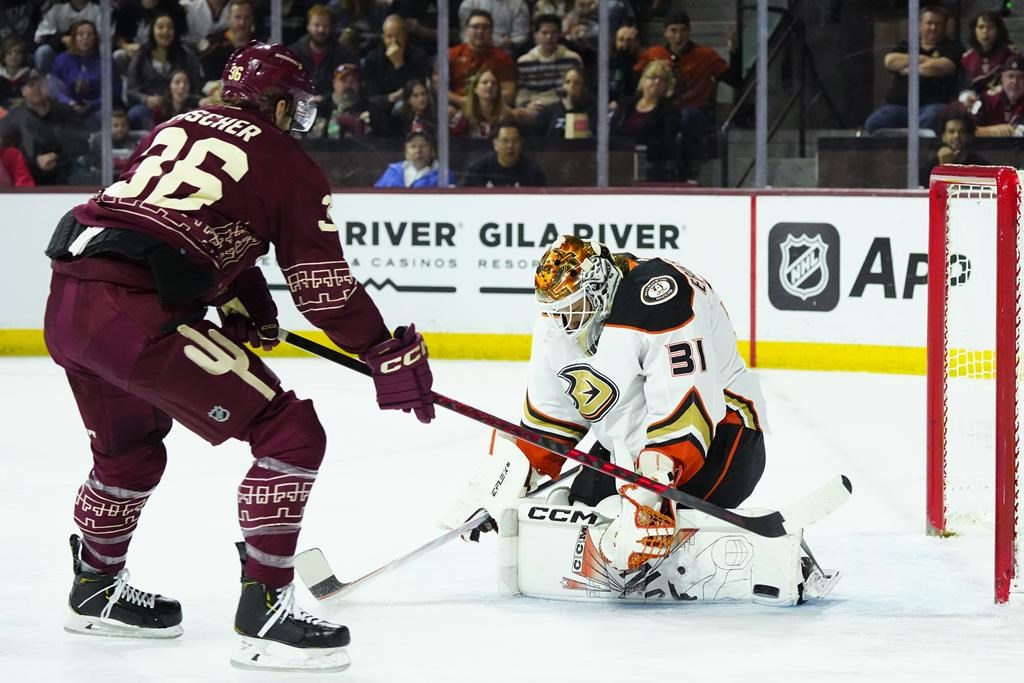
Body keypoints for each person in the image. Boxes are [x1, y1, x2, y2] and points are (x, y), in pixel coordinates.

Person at [42, 41, 434, 672]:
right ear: (276, 104)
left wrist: (244, 299)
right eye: (296, 105)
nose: (298, 118)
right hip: (138, 315)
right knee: (290, 432)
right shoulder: (291, 164)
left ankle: (94, 589)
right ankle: (267, 611)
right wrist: (383, 349)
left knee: (128, 453)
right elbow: (324, 291)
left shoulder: (178, 123)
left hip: (69, 303)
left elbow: (175, 217)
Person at [509, 234, 767, 574]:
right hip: (630, 453)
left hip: (723, 443)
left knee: (630, 512)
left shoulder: (660, 297)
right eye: (557, 312)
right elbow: (551, 418)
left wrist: (647, 495)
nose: (564, 321)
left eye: (572, 308)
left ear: (598, 285)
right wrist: (512, 477)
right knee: (586, 502)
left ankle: (661, 528)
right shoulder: (559, 319)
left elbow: (686, 412)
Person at [863, 5, 963, 135]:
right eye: (929, 23)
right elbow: (890, 61)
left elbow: (944, 66)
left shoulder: (953, 47)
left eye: (938, 24)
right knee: (873, 123)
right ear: (920, 24)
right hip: (898, 105)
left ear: (945, 26)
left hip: (933, 105)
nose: (933, 28)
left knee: (929, 120)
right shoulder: (906, 45)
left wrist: (908, 68)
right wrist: (923, 58)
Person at [1, 69, 89, 185]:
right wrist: (35, 160)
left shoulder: (64, 111)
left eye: (41, 84)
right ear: (23, 91)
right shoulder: (15, 117)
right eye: (31, 85)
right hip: (30, 177)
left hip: (66, 173)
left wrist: (57, 158)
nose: (37, 89)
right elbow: (5, 147)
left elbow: (82, 139)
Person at [124, 11, 203, 129]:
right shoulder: (141, 55)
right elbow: (131, 91)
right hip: (149, 107)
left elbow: (195, 88)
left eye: (170, 28)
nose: (165, 31)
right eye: (160, 27)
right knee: (135, 114)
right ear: (152, 30)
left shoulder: (187, 55)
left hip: (180, 106)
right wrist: (147, 99)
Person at [610, 59, 681, 182]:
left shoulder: (669, 111)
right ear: (643, 81)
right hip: (620, 161)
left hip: (652, 167)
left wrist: (636, 146)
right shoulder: (626, 104)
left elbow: (664, 144)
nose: (657, 82)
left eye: (662, 79)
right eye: (653, 77)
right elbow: (614, 131)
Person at [288, 4, 358, 119]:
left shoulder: (344, 54)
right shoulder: (294, 53)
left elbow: (352, 87)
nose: (321, 30)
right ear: (308, 26)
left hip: (334, 109)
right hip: (300, 109)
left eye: (325, 26)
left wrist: (326, 99)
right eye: (316, 25)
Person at [48, 19, 121, 125]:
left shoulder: (106, 60)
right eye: (81, 34)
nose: (85, 38)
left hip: (98, 110)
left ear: (95, 38)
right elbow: (54, 88)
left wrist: (93, 105)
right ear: (74, 37)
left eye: (89, 34)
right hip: (69, 109)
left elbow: (115, 90)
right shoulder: (62, 60)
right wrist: (70, 103)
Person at [448, 9, 517, 108]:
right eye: (475, 27)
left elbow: (509, 93)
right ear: (467, 30)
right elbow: (439, 87)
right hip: (459, 105)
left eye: (485, 27)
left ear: (491, 31)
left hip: (491, 109)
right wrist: (459, 100)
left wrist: (482, 103)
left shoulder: (503, 58)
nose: (480, 31)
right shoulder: (451, 54)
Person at [361, 15, 431, 110]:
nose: (394, 41)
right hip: (382, 106)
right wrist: (390, 98)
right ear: (384, 38)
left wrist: (399, 64)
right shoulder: (372, 59)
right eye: (389, 36)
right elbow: (370, 95)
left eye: (398, 35)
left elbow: (417, 90)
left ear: (405, 36)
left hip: (409, 106)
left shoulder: (418, 56)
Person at [515, 13, 582, 111]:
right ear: (535, 35)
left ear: (560, 34)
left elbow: (579, 89)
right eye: (544, 33)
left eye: (554, 33)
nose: (549, 37)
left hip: (564, 107)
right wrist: (526, 105)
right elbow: (521, 92)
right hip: (536, 108)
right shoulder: (524, 62)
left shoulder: (573, 59)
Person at [460, 121, 546, 186]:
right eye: (505, 141)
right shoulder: (478, 169)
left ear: (521, 143)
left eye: (515, 141)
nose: (510, 146)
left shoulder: (533, 171)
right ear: (495, 144)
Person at [316, 62, 389, 138]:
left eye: (353, 81)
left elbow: (384, 141)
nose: (348, 85)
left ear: (359, 84)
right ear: (334, 83)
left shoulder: (373, 110)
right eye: (343, 80)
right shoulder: (321, 107)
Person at [918, 109, 988, 187]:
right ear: (943, 136)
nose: (956, 136)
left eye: (962, 132)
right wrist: (943, 168)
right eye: (951, 131)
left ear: (969, 136)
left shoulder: (980, 166)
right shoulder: (930, 169)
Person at [959, 10, 1017, 102]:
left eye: (991, 27)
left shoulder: (1009, 55)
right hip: (974, 104)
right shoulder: (967, 58)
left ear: (998, 30)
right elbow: (964, 88)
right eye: (981, 27)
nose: (985, 32)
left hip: (1002, 103)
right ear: (974, 30)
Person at [533, 65, 594, 138]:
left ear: (584, 87)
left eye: (577, 83)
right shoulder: (549, 111)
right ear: (563, 85)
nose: (571, 86)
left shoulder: (592, 110)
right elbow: (534, 136)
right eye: (568, 82)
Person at [450, 69, 514, 139]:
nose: (489, 86)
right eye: (484, 82)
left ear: (498, 90)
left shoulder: (506, 117)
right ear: (475, 88)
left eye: (494, 83)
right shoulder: (463, 118)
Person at [972, 55, 1024, 137]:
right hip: (988, 148)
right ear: (1002, 78)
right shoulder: (986, 99)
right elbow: (970, 129)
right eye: (1010, 76)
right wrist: (992, 130)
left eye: (1020, 77)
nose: (1015, 82)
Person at [458, 0, 531, 56]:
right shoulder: (469, 3)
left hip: (505, 53)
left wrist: (510, 42)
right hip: (473, 51)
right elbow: (465, 34)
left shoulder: (519, 5)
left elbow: (521, 35)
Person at [374, 130, 439, 188]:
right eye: (413, 146)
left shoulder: (443, 175)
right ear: (406, 153)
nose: (418, 150)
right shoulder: (392, 172)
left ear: (433, 151)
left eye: (423, 146)